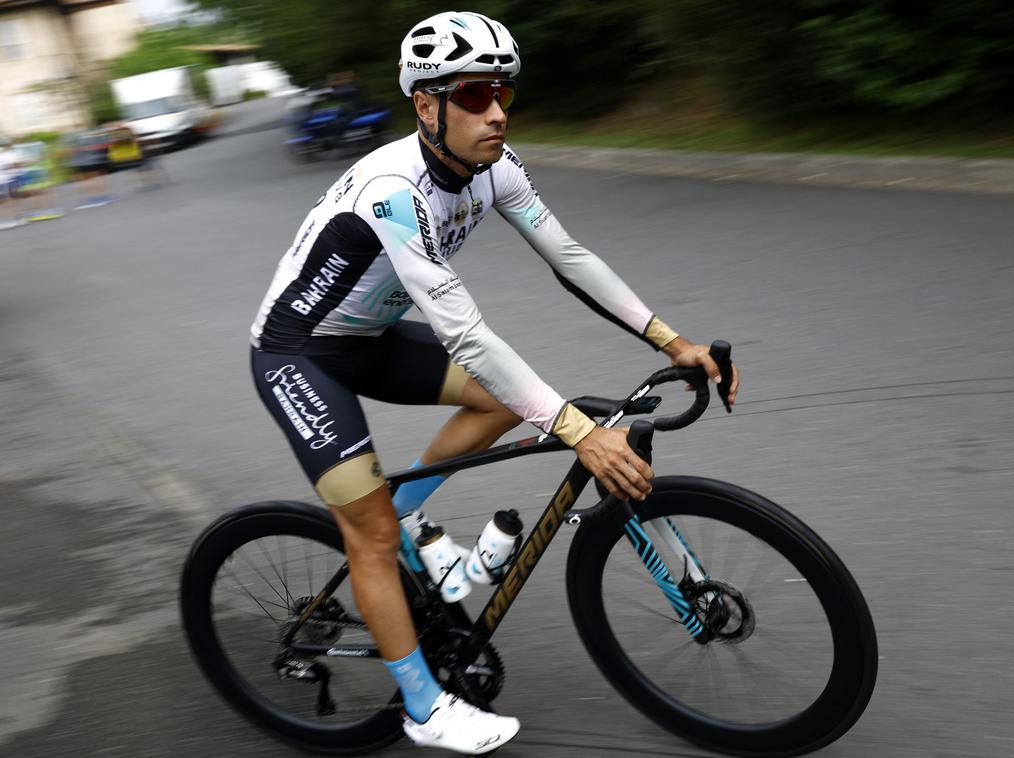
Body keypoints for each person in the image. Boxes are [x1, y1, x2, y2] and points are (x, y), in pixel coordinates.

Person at [249, 11, 740, 755]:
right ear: (426, 105)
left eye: (503, 92)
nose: (497, 111)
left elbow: (571, 257)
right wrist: (576, 430)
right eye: (475, 95)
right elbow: (467, 334)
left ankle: (407, 515)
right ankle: (421, 705)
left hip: (369, 339)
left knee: (496, 405)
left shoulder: (494, 168)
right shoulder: (392, 188)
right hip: (300, 355)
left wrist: (674, 341)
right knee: (371, 535)